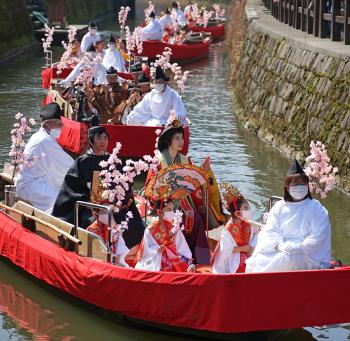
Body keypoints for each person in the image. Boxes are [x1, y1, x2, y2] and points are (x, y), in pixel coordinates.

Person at [145, 118, 225, 264]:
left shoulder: (185, 160)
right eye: (177, 138)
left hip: (184, 201)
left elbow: (193, 182)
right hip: (165, 204)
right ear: (168, 140)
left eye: (182, 137)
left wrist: (203, 170)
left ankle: (201, 259)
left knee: (196, 217)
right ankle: (179, 259)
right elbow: (150, 188)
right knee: (177, 219)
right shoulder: (158, 162)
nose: (181, 141)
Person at [52, 126, 145, 249]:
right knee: (95, 220)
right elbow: (72, 187)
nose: (103, 142)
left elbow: (123, 186)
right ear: (91, 140)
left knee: (131, 221)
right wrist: (90, 199)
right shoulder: (82, 162)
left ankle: (129, 252)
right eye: (99, 138)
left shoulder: (114, 161)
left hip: (113, 204)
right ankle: (102, 251)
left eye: (105, 138)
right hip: (89, 206)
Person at [245, 159, 331, 273]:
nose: (299, 187)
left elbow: (319, 236)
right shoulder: (279, 207)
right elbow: (270, 231)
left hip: (307, 254)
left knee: (289, 259)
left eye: (302, 184)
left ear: (307, 185)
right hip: (281, 248)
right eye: (295, 184)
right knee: (258, 260)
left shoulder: (317, 209)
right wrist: (279, 245)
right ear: (287, 186)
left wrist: (299, 247)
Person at [15, 103, 74, 213]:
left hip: (38, 179)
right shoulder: (44, 140)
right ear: (49, 124)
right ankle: (54, 222)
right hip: (29, 184)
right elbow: (65, 167)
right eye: (57, 124)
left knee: (63, 191)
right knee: (60, 198)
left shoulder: (41, 136)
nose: (59, 128)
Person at [135, 199, 192, 271]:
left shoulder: (174, 227)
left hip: (173, 258)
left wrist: (186, 258)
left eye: (172, 210)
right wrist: (156, 249)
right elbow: (145, 249)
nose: (171, 212)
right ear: (159, 211)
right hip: (156, 258)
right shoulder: (150, 229)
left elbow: (182, 247)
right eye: (169, 209)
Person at [211, 183, 256, 274]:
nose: (248, 210)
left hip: (246, 253)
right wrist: (243, 248)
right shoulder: (228, 229)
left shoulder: (247, 224)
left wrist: (250, 250)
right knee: (245, 267)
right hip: (232, 258)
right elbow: (226, 250)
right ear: (237, 211)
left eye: (248, 208)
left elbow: (253, 241)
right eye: (245, 208)